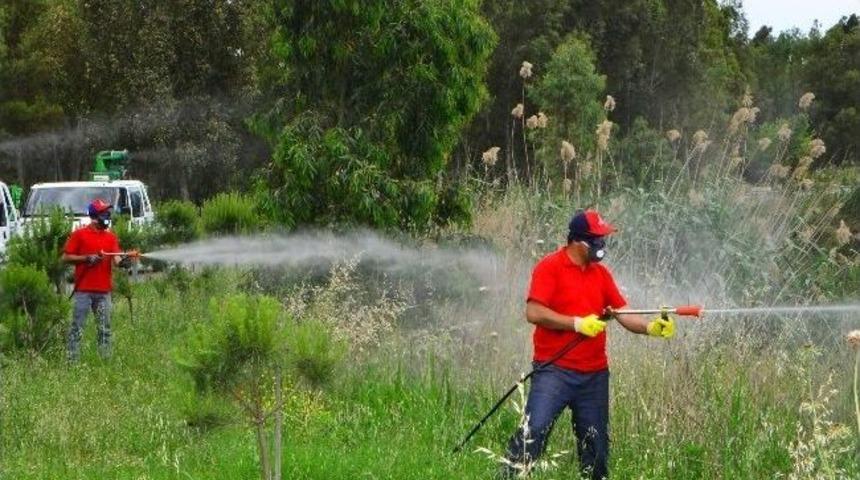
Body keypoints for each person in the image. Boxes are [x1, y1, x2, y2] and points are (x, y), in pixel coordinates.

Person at [502, 209, 674, 479]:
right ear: (577, 241)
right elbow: (534, 313)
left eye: (603, 240)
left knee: (596, 446)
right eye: (596, 240)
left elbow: (623, 313)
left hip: (594, 375)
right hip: (553, 371)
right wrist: (577, 323)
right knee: (533, 431)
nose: (601, 246)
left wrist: (652, 327)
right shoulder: (549, 267)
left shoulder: (601, 275)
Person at [62, 199, 135, 361]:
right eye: (104, 213)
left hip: (104, 292)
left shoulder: (111, 237)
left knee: (105, 329)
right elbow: (65, 257)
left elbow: (115, 258)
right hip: (83, 291)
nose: (108, 216)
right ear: (95, 216)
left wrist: (123, 262)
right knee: (77, 328)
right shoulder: (79, 235)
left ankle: (105, 362)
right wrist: (86, 259)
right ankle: (72, 362)